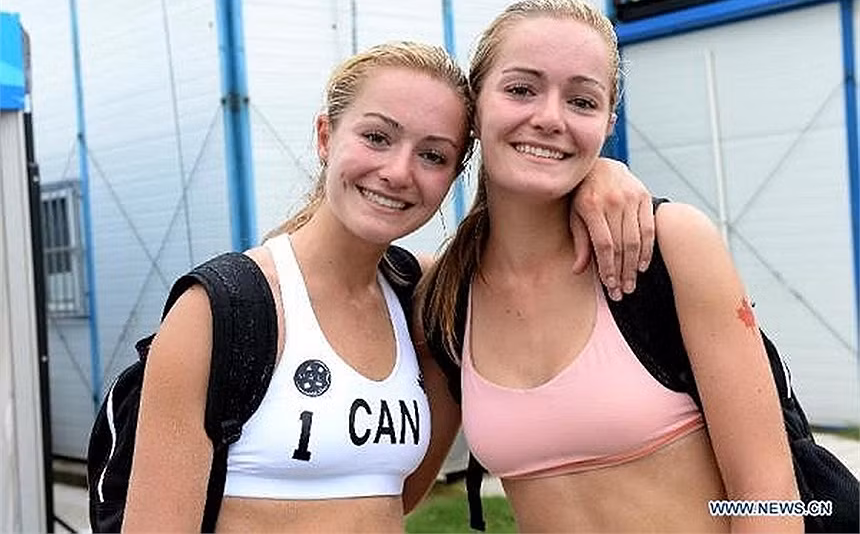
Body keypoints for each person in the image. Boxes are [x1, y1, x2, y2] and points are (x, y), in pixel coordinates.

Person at [122, 40, 655, 531]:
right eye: (377, 137)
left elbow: (401, 495)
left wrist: (600, 173)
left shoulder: (425, 298)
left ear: (454, 175)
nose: (399, 172)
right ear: (326, 136)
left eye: (433, 155)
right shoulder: (222, 309)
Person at [418, 0, 801, 532]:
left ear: (607, 124)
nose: (549, 118)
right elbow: (388, 486)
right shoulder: (446, 297)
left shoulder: (670, 245)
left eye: (582, 101)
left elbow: (769, 497)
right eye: (521, 90)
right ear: (475, 107)